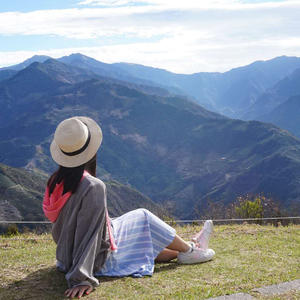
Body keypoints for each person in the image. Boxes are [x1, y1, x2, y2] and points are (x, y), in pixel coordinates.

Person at [43, 116, 215, 299]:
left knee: (139, 240)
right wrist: (81, 278)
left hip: (67, 258)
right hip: (96, 260)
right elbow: (90, 234)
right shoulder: (92, 186)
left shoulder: (55, 181)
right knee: (143, 216)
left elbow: (71, 228)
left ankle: (189, 248)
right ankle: (190, 250)